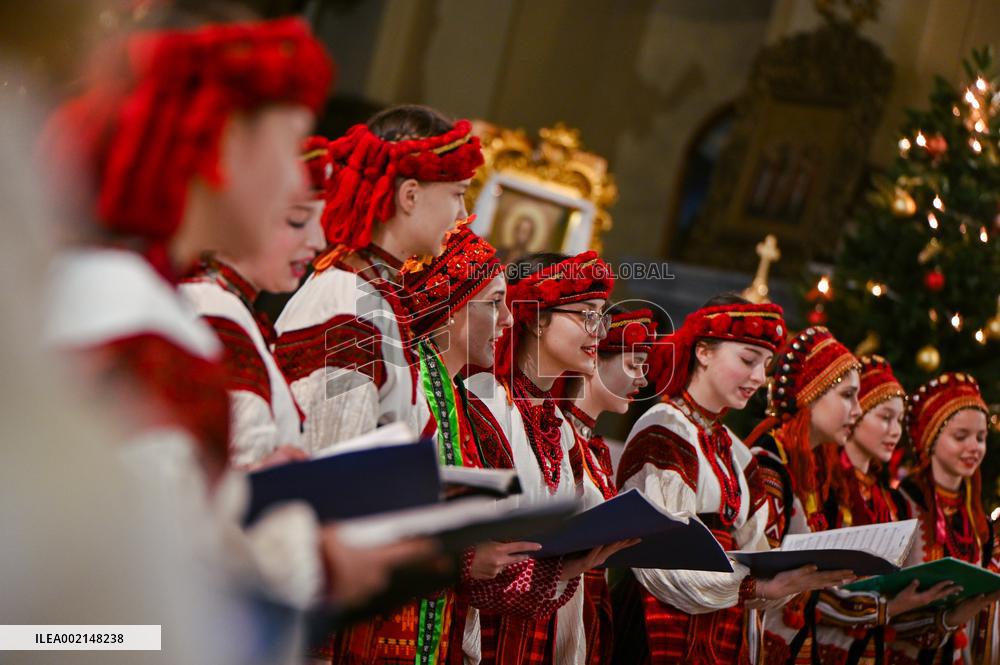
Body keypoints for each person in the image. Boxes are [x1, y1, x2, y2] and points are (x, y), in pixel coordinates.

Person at [41, 7, 431, 645]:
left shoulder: (145, 299)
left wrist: (251, 493)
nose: (295, 183)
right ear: (221, 143)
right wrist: (313, 562)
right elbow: (100, 618)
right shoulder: (135, 320)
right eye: (288, 144)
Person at [614, 297, 847, 665]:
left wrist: (788, 577)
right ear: (704, 352)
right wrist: (753, 585)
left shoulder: (735, 452)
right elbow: (659, 558)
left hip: (722, 623)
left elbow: (757, 549)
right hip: (659, 623)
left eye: (765, 366)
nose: (758, 378)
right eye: (747, 360)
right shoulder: (664, 428)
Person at [274, 105, 484, 452]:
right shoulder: (349, 303)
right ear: (410, 196)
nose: (462, 215)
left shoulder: (373, 294)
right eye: (457, 194)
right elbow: (334, 465)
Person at [465, 251, 637, 664]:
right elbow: (474, 547)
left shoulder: (557, 424)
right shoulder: (483, 398)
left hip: (542, 636)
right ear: (537, 317)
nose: (599, 332)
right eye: (587, 314)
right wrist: (558, 569)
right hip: (492, 635)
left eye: (603, 317)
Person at [179, 137, 327, 468]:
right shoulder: (217, 309)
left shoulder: (222, 303)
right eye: (297, 221)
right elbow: (241, 465)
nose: (317, 242)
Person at [812, 355, 958, 664]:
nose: (895, 431)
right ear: (855, 414)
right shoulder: (823, 486)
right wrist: (885, 607)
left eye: (899, 420)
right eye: (884, 417)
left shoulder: (890, 502)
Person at [559, 307, 656, 664]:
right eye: (633, 365)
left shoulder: (594, 448)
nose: (643, 381)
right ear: (593, 356)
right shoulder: (555, 433)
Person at [888, 372, 1000, 664]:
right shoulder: (900, 508)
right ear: (931, 440)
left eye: (981, 437)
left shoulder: (976, 523)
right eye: (960, 436)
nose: (974, 447)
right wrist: (949, 619)